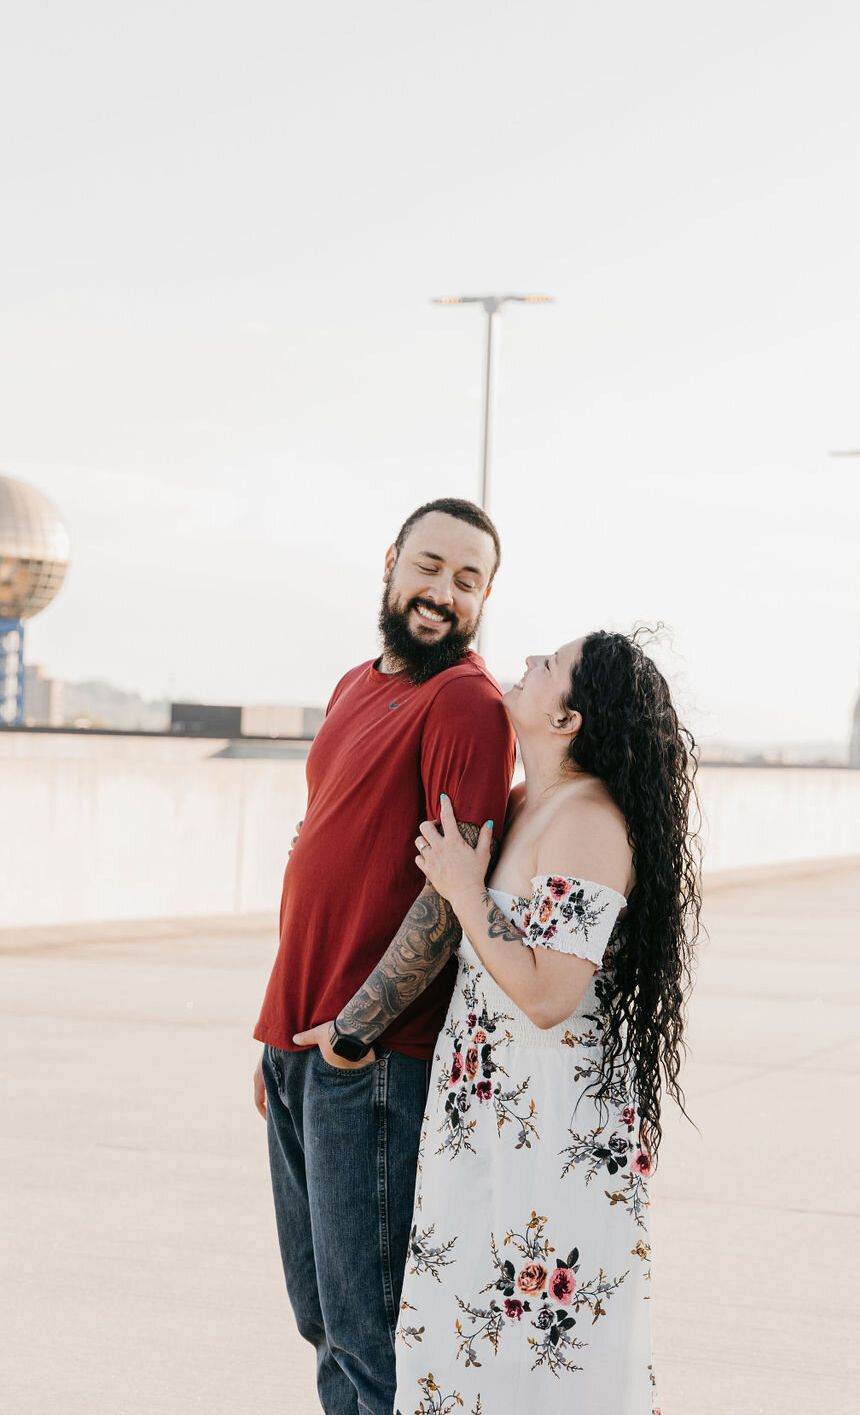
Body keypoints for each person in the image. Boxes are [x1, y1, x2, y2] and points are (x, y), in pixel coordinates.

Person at [252, 497, 517, 1415]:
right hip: (300, 1045)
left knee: (372, 1343)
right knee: (322, 1322)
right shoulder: (353, 685)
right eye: (430, 566)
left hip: (371, 1066)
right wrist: (277, 1038)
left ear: (485, 597)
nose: (443, 591)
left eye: (467, 579)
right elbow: (320, 854)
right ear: (392, 562)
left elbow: (452, 895)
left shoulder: (469, 705)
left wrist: (354, 1035)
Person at [392, 630, 701, 1415]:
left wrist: (467, 891)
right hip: (495, 1110)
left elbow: (550, 994)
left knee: (547, 1359)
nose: (530, 662)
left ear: (567, 721)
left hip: (547, 1122)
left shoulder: (586, 821)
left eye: (551, 666)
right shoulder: (533, 802)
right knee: (474, 1341)